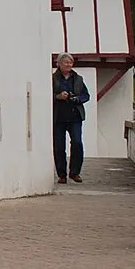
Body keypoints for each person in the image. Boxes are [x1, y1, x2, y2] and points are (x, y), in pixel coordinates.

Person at [52, 53, 90, 184]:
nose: (68, 65)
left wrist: (77, 99)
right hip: (59, 116)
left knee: (77, 143)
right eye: (65, 62)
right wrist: (58, 97)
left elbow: (86, 95)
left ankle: (75, 172)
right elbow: (47, 95)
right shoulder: (53, 78)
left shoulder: (78, 79)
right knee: (58, 146)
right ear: (59, 64)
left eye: (70, 63)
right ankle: (61, 174)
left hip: (74, 115)